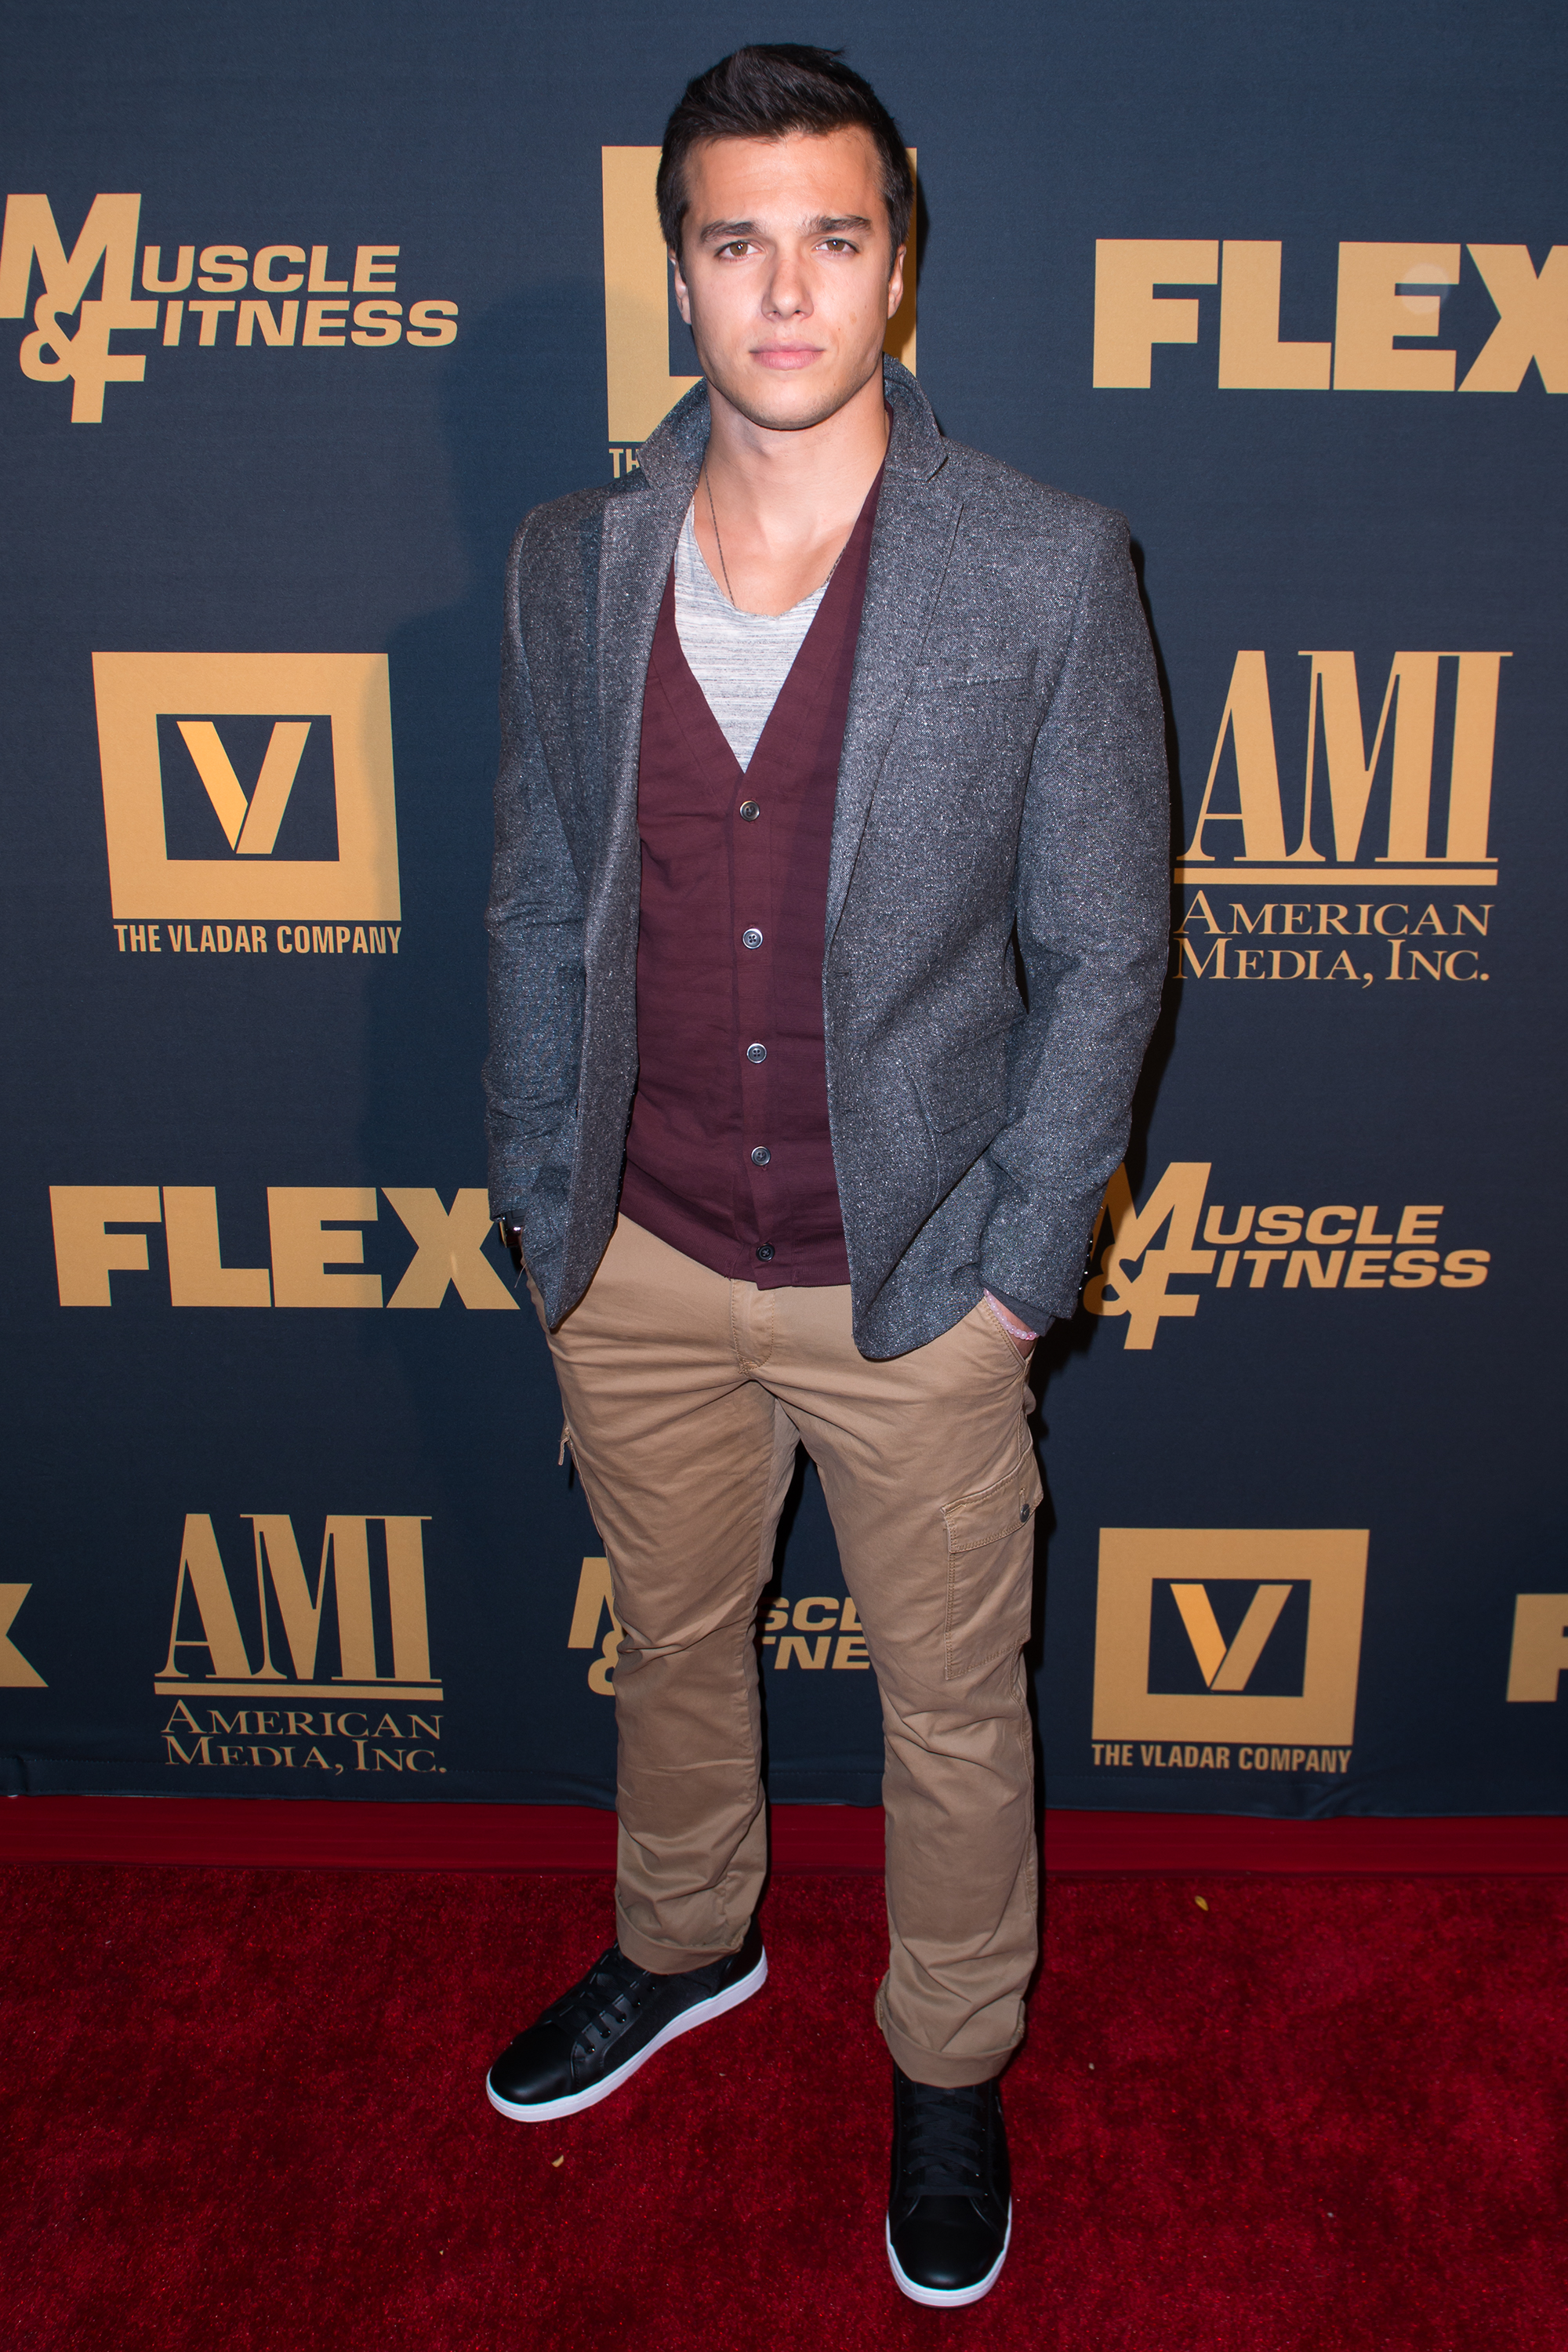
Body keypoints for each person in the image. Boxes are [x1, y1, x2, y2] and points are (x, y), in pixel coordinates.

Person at [482, 43, 1167, 2308]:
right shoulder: (573, 562)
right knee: (671, 1642)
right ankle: (688, 1944)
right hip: (644, 1255)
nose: (787, 287)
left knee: (956, 1709)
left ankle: (951, 2061)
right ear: (678, 271)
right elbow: (536, 892)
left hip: (920, 1279)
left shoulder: (1049, 567)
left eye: (835, 236)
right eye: (738, 238)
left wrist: (1014, 1269)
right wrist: (537, 1210)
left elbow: (1106, 953)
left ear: (901, 261)